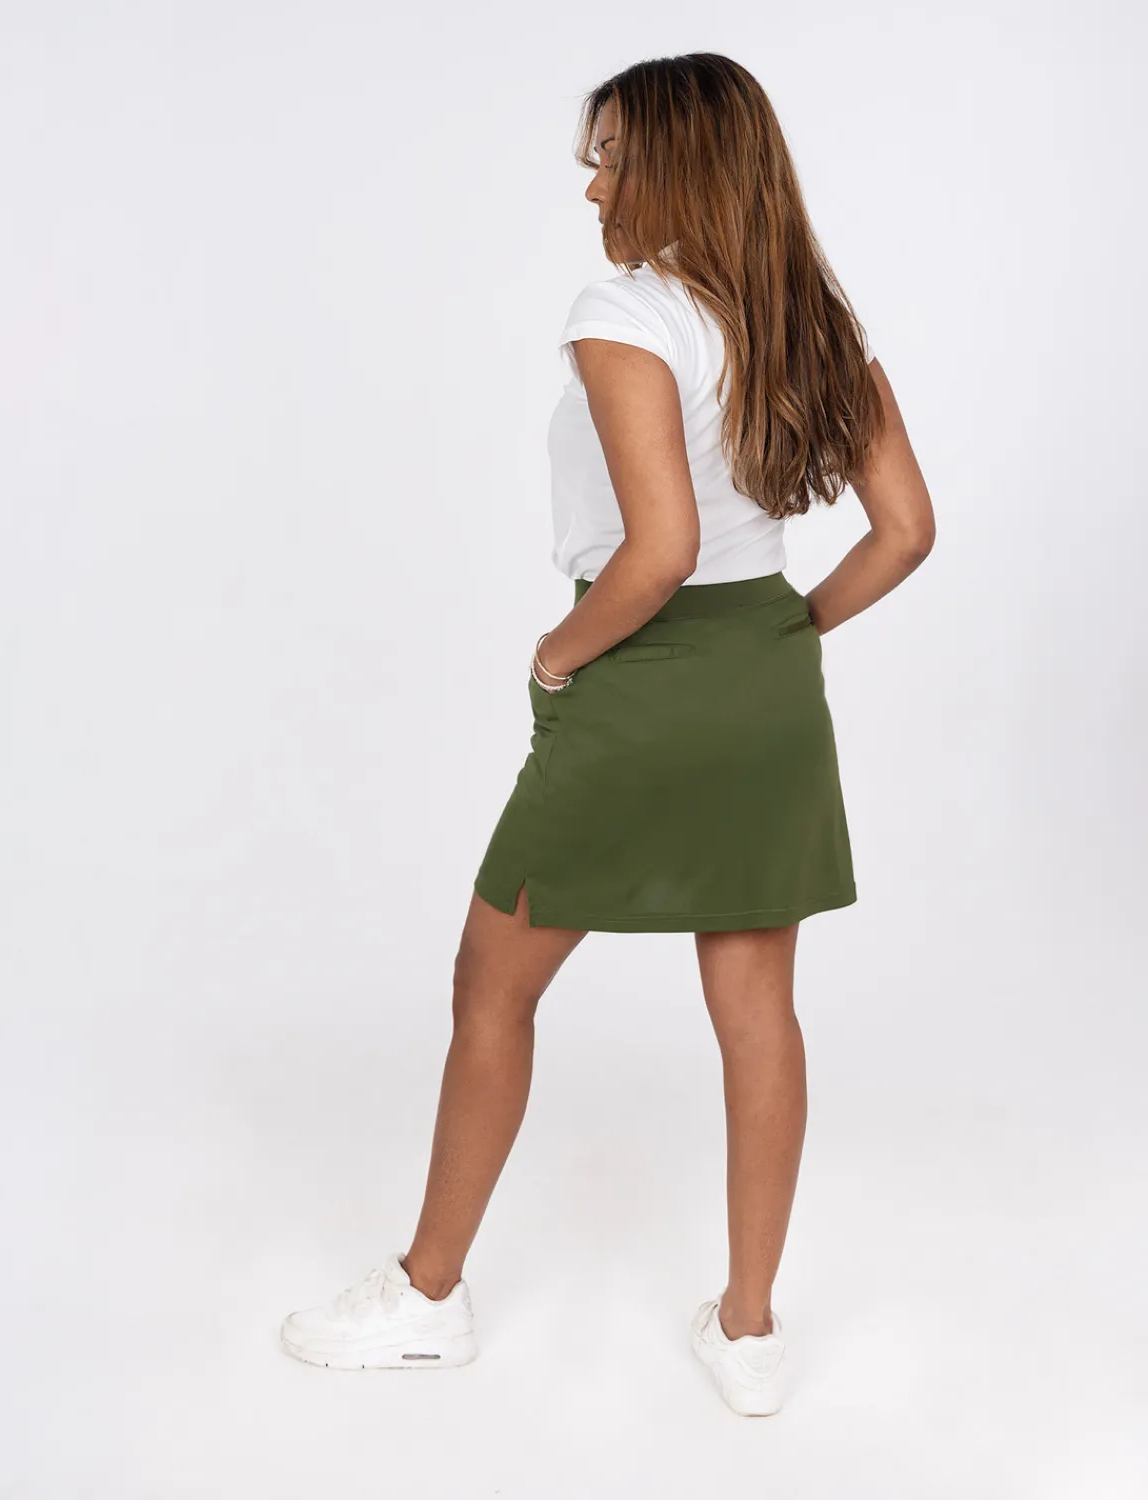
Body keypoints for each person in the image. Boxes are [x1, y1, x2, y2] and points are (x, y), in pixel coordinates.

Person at [278, 52, 935, 1417]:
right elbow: (909, 530)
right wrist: (788, 636)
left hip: (639, 673)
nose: (593, 187)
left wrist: (557, 655)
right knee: (758, 1011)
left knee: (492, 983)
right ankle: (749, 1333)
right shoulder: (813, 316)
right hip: (765, 687)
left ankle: (427, 1297)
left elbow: (659, 549)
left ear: (678, 169)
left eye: (613, 158)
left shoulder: (624, 312)